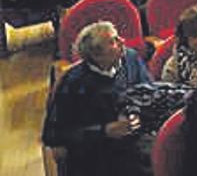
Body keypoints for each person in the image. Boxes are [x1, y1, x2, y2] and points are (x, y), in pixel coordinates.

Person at [41, 21, 153, 176]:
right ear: (96, 55)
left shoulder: (131, 59)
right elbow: (54, 135)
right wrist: (104, 131)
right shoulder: (73, 82)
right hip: (96, 153)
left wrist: (136, 114)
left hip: (135, 142)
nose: (123, 42)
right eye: (114, 41)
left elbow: (149, 93)